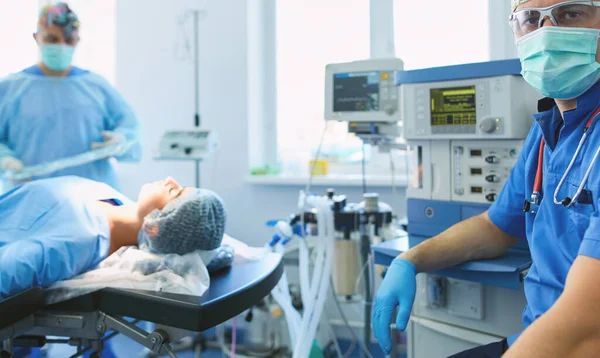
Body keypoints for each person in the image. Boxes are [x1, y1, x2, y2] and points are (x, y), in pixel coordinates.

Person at [373, 0, 600, 357]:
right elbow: (495, 227)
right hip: (534, 338)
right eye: (529, 19)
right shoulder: (545, 135)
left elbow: (585, 324)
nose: (546, 33)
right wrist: (410, 260)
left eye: (569, 13)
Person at [0, 175, 226, 300]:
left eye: (175, 193)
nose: (170, 180)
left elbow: (6, 274)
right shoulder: (117, 202)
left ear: (155, 228)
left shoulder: (74, 243)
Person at [0, 3, 142, 191]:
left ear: (77, 40)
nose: (61, 45)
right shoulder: (10, 89)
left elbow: (130, 129)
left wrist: (120, 140)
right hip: (29, 197)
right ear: (37, 37)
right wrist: (5, 160)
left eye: (68, 39)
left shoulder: (97, 87)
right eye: (52, 38)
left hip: (92, 198)